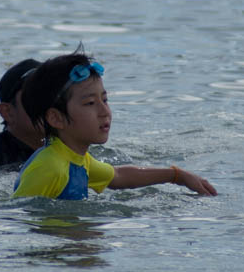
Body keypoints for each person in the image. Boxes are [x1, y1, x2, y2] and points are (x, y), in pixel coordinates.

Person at [12, 48, 217, 199]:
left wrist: (176, 175)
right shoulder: (50, 167)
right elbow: (19, 215)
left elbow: (119, 176)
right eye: (90, 103)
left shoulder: (77, 159)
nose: (104, 111)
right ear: (56, 118)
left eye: (105, 100)